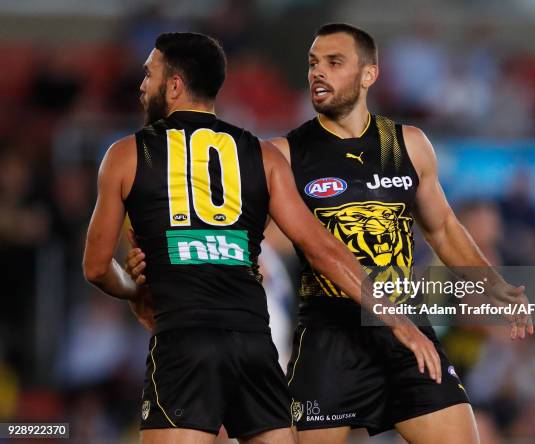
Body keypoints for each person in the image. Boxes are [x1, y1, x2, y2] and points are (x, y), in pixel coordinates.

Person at [125, 25, 534, 444]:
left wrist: (494, 286)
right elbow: (232, 240)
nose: (318, 73)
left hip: (407, 335)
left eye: (334, 63)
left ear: (368, 74)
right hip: (327, 341)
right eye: (312, 63)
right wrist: (159, 270)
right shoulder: (284, 154)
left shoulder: (408, 145)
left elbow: (444, 229)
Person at [83, 32, 439, 444]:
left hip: (185, 342)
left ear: (175, 85)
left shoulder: (127, 154)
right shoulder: (262, 154)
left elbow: (95, 267)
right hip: (254, 347)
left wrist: (134, 289)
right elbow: (322, 248)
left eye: (149, 75)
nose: (142, 86)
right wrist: (397, 320)